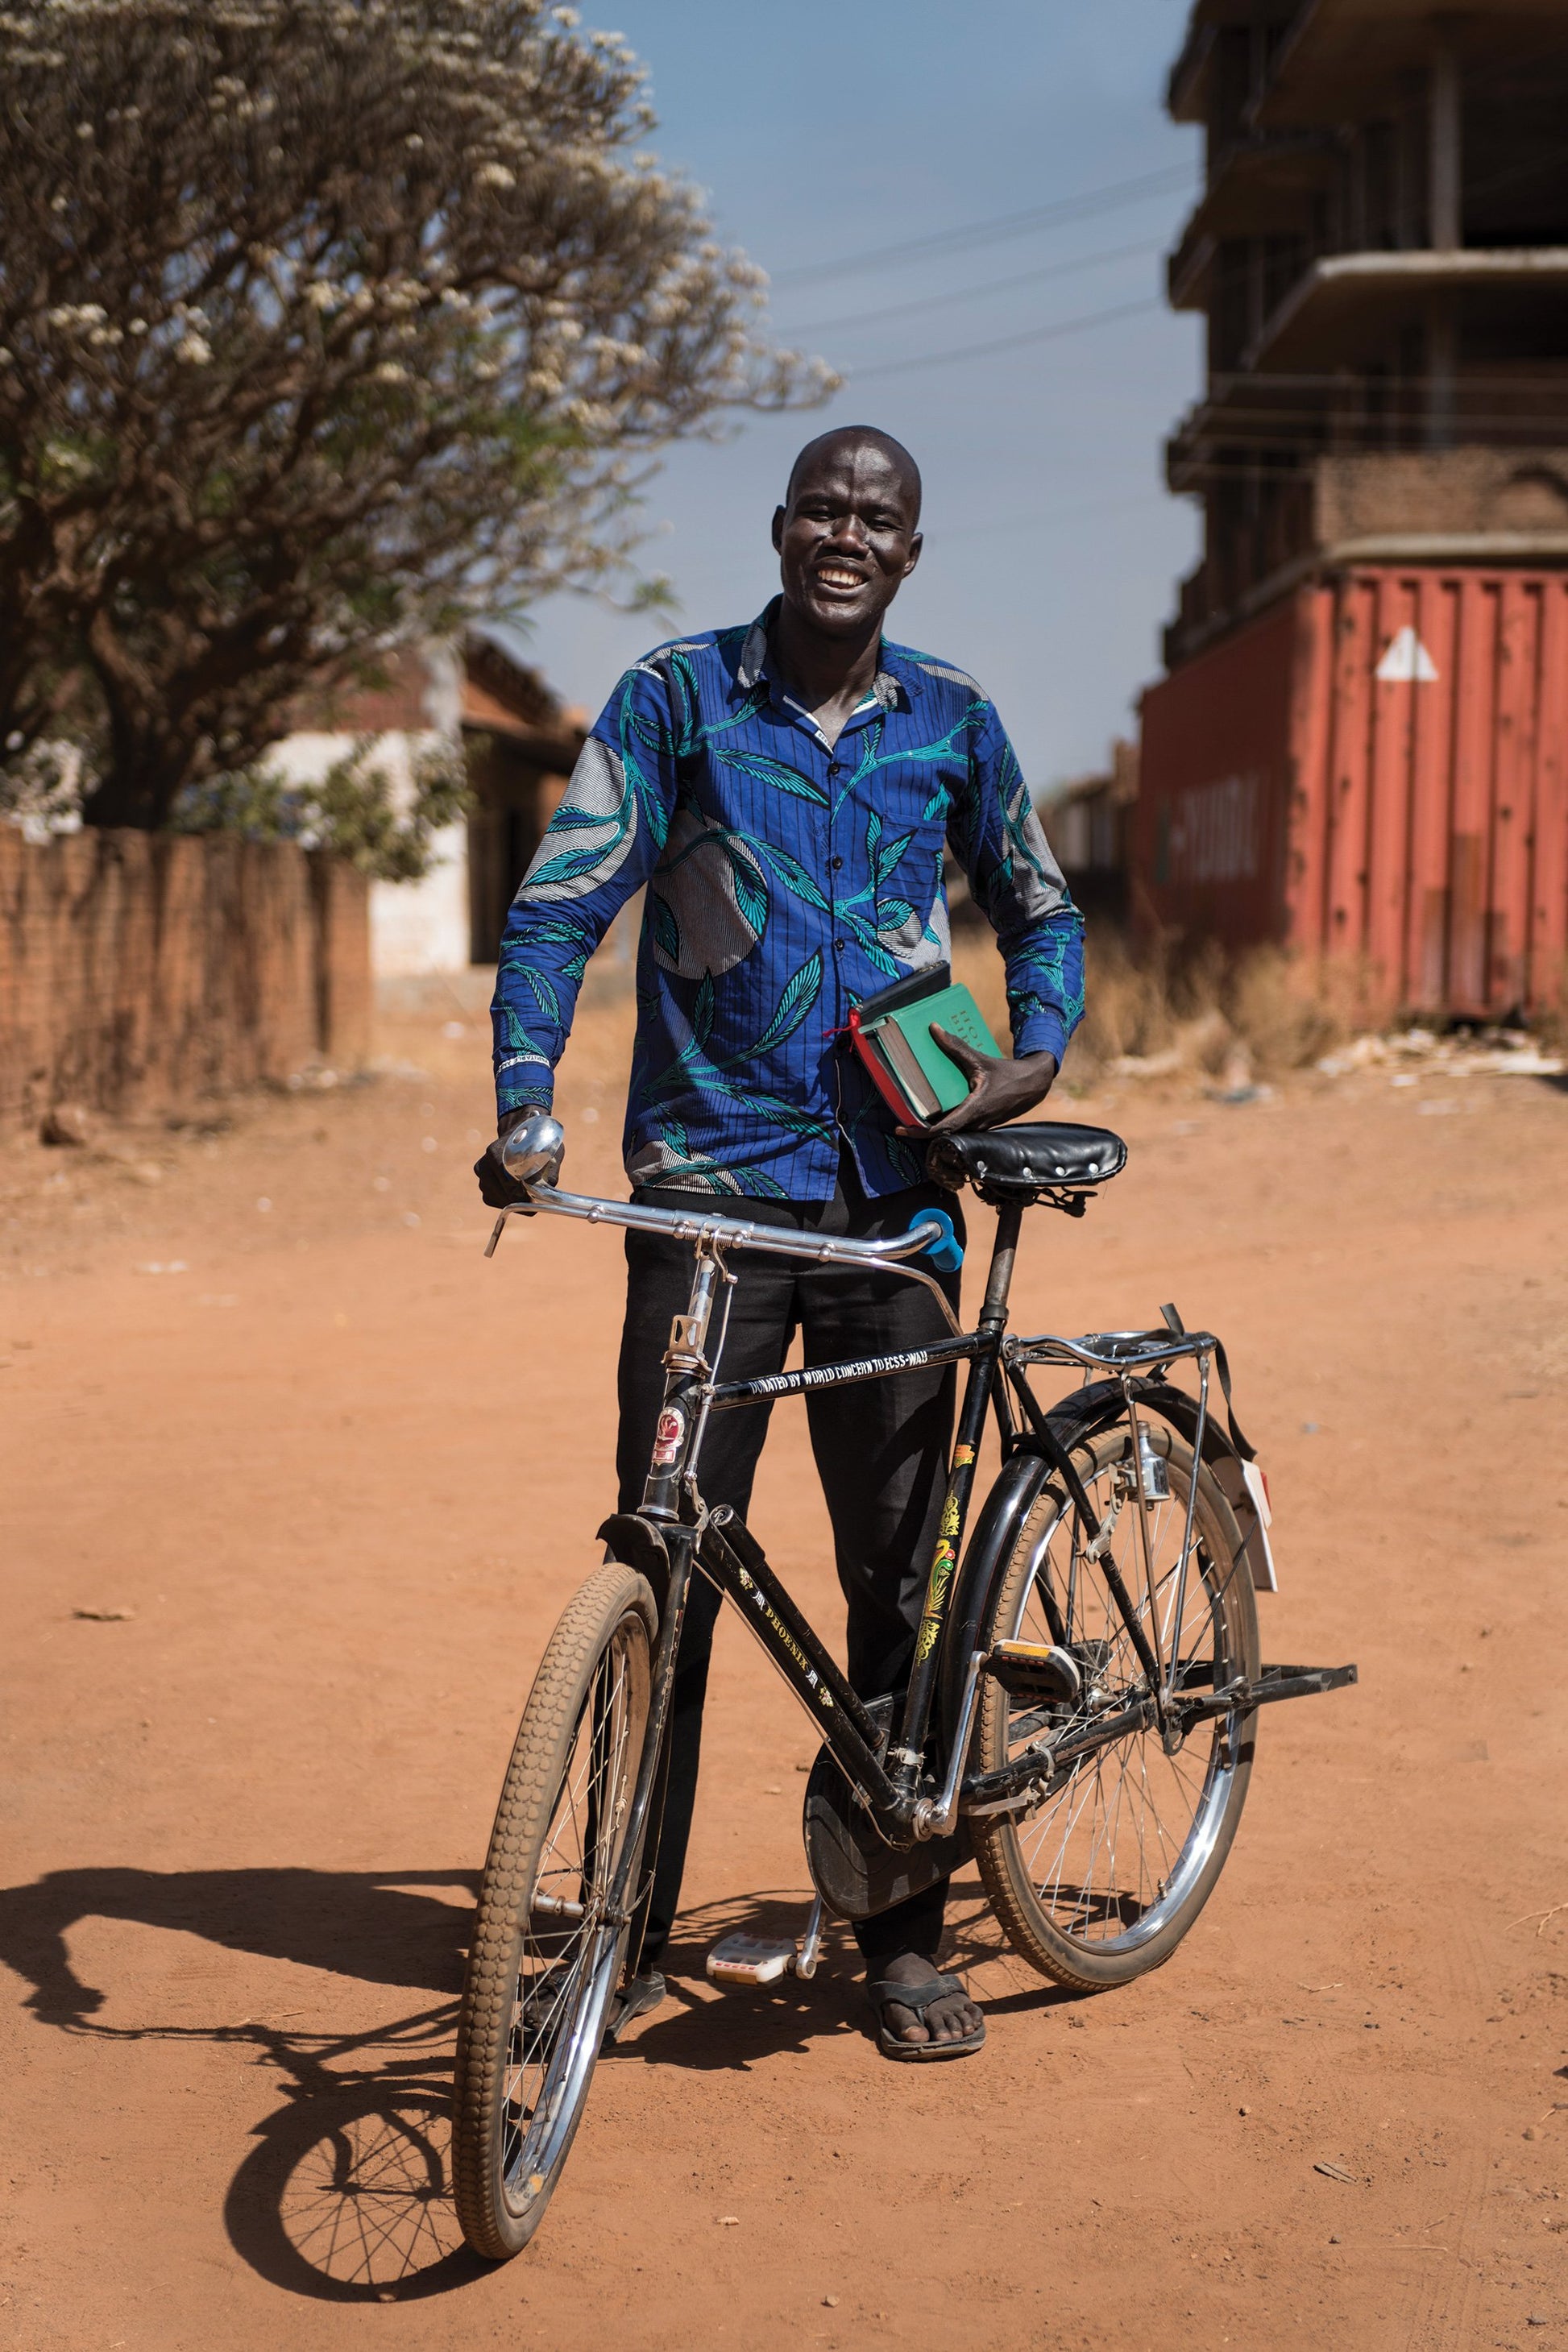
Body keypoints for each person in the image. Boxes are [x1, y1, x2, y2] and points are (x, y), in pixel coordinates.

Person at [477, 425, 1084, 2058]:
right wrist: (526, 1100)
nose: (845, 533)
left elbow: (1040, 906)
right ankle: (624, 1926)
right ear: (779, 525)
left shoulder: (953, 718)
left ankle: (902, 1933)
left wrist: (1031, 1055)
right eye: (822, 505)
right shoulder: (675, 699)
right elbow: (560, 905)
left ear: (909, 551)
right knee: (665, 1557)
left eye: (876, 516)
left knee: (898, 1573)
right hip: (704, 1199)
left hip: (894, 1207)